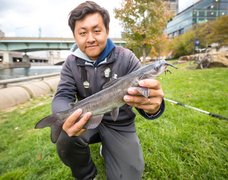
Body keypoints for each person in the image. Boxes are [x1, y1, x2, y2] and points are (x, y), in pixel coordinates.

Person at [52, 1, 165, 179]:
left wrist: (155, 107)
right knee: (65, 138)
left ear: (107, 31)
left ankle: (110, 147)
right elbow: (62, 95)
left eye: (97, 31)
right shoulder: (70, 63)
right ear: (75, 36)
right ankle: (87, 175)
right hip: (87, 121)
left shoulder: (127, 57)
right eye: (82, 33)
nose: (90, 38)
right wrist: (62, 115)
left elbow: (147, 97)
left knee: (130, 175)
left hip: (120, 125)